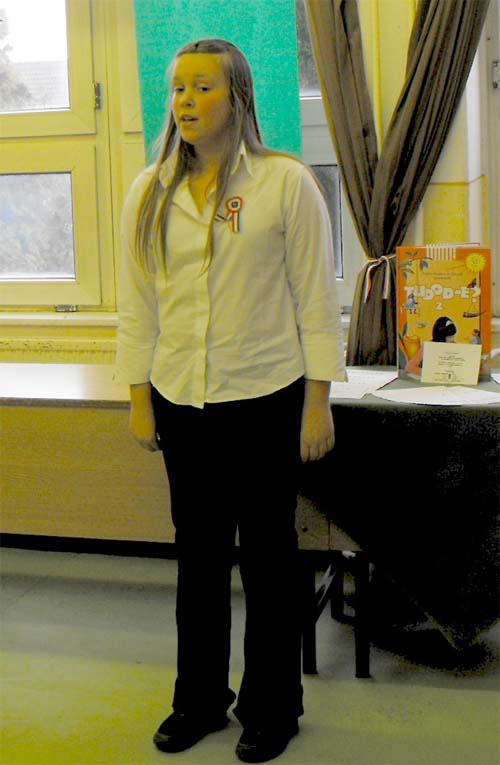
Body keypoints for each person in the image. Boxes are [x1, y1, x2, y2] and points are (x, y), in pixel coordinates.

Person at [115, 38, 345, 763]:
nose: (184, 101)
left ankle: (272, 707)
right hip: (182, 399)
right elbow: (138, 305)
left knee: (269, 562)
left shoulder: (284, 183)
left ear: (238, 96)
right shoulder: (149, 191)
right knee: (199, 560)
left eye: (202, 87)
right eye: (178, 89)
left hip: (266, 398)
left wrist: (318, 402)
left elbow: (316, 300)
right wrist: (139, 397)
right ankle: (199, 700)